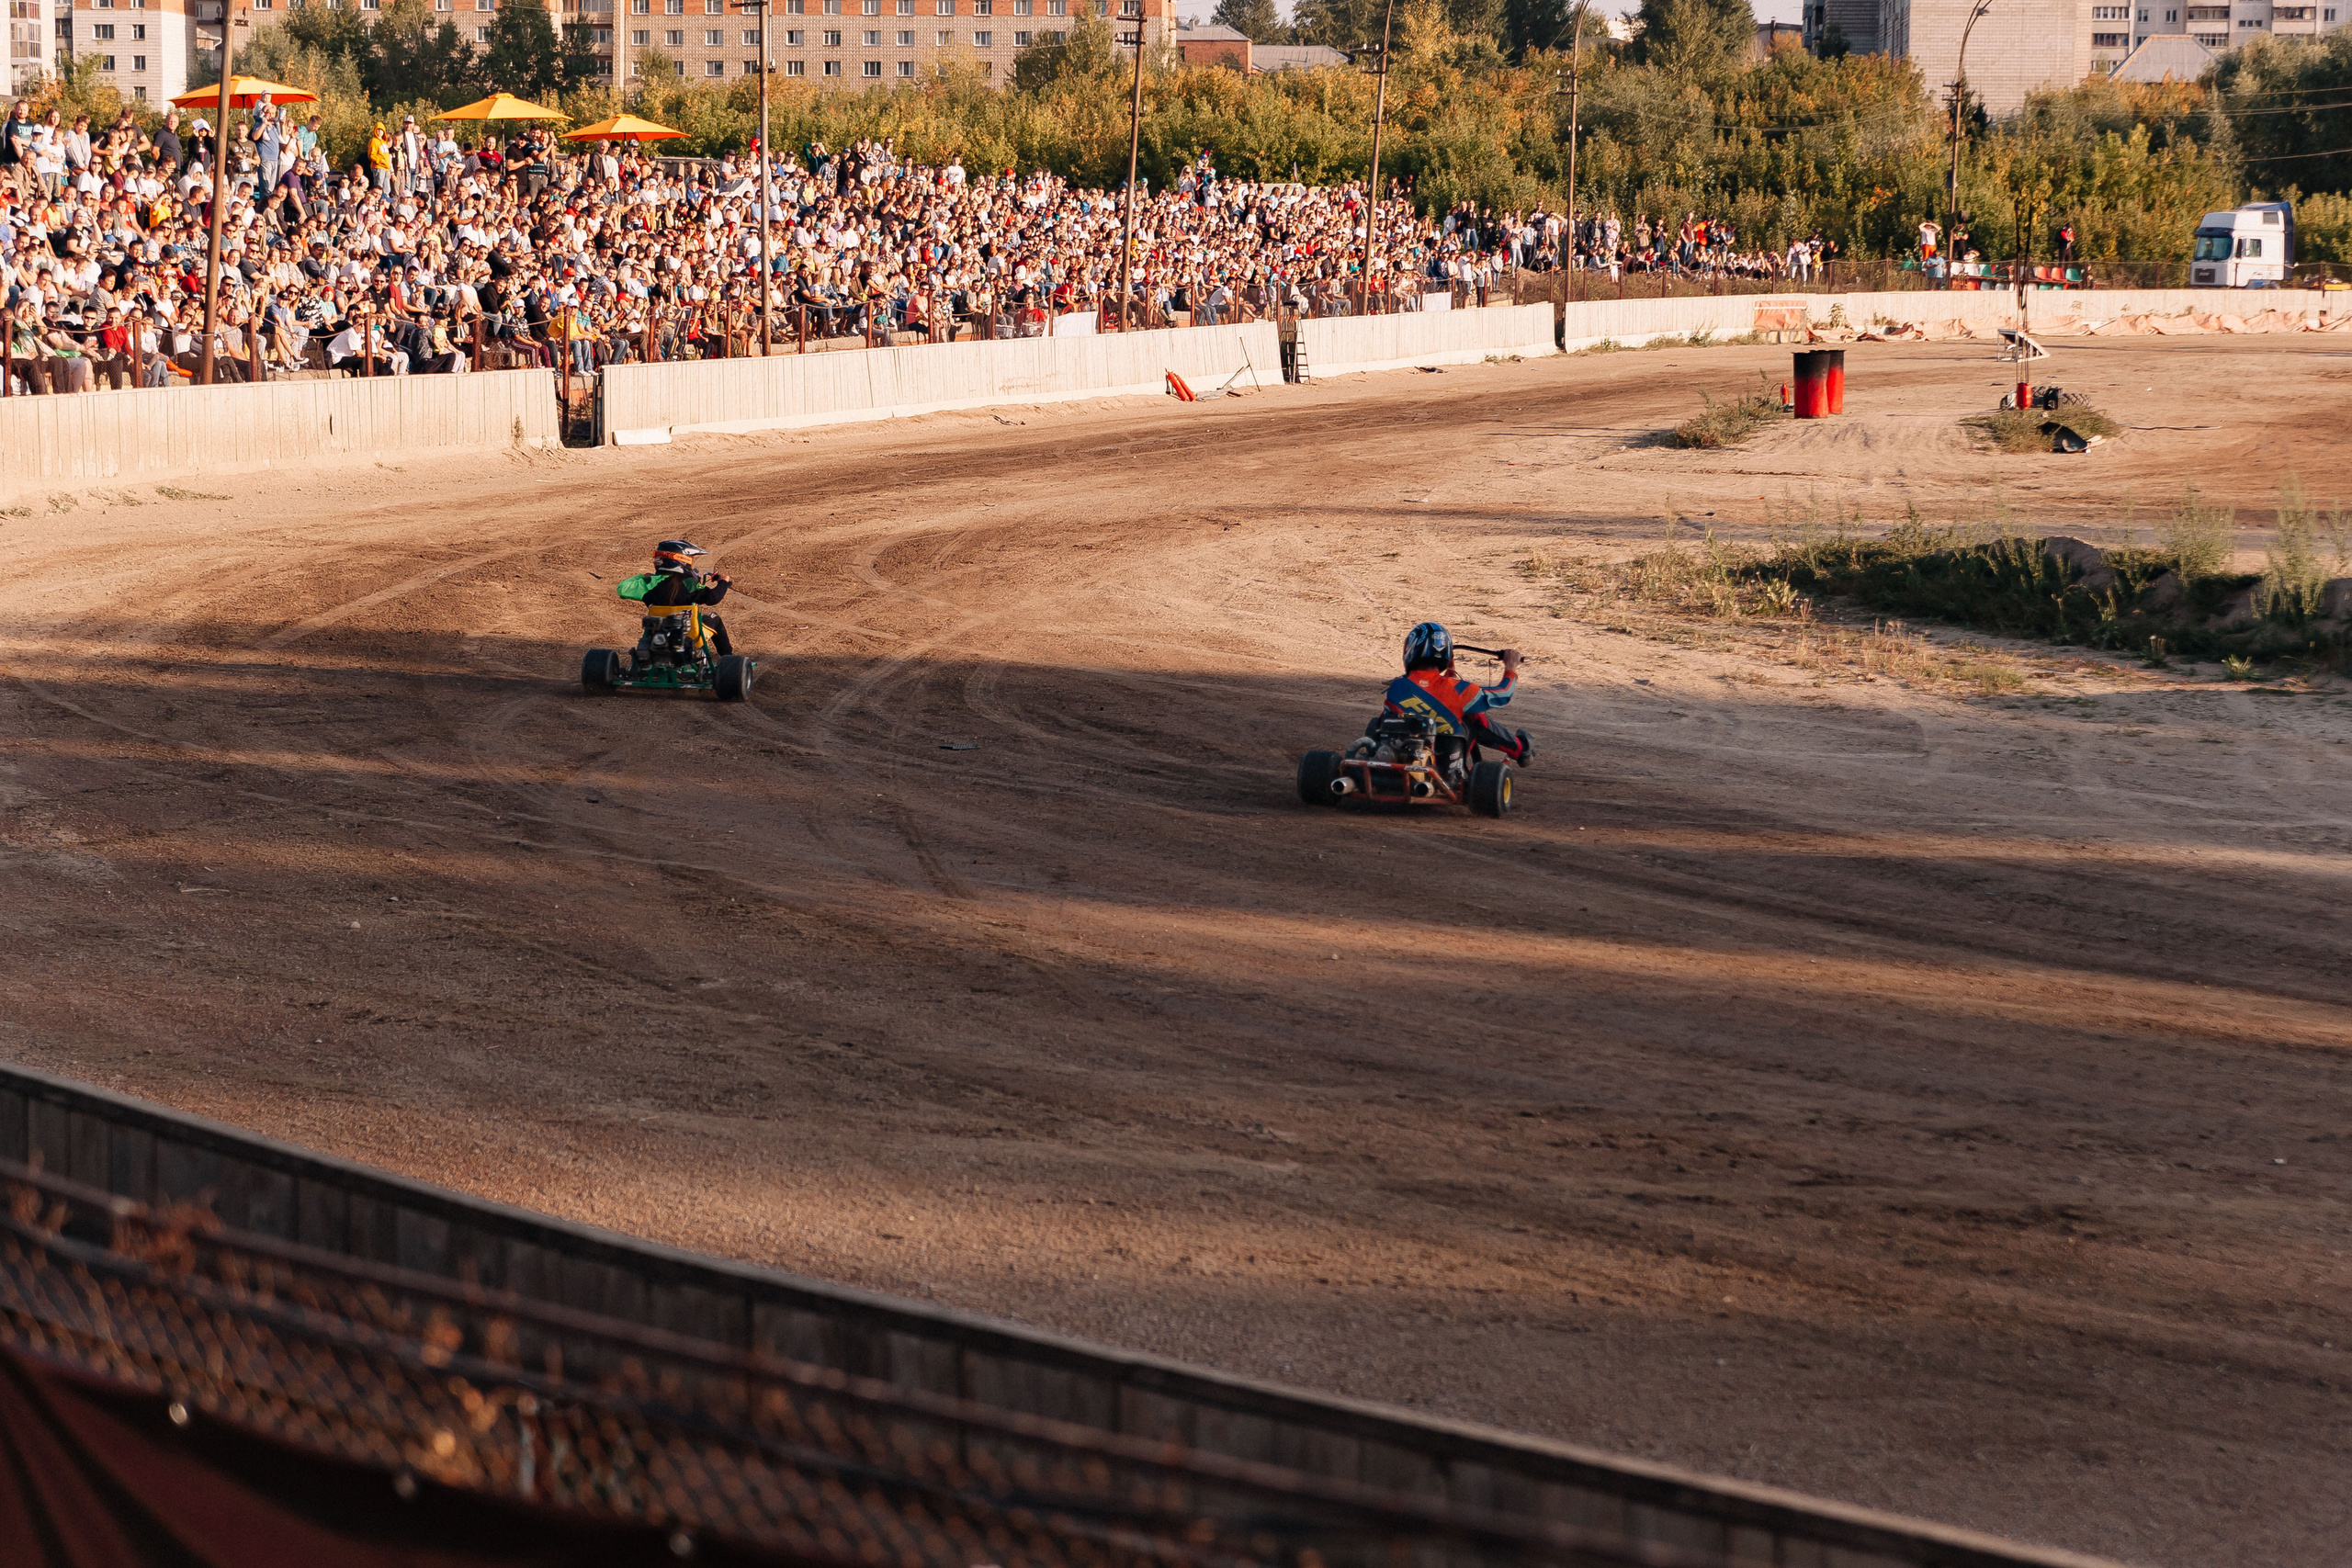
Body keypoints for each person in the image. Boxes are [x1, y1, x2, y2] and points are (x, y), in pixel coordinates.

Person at [1374, 621, 1532, 768]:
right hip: (1446, 766)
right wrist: (1511, 666)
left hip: (1396, 755)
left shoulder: (1397, 685)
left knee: (1382, 719)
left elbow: (1431, 690)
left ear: (1410, 650)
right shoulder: (1460, 690)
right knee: (1474, 718)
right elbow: (1503, 694)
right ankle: (1520, 748)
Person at [638, 539, 736, 656]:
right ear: (681, 562)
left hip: (658, 635)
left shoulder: (650, 585)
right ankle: (728, 657)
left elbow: (628, 591)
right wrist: (723, 582)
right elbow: (713, 598)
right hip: (690, 636)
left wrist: (643, 578)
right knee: (714, 618)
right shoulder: (689, 584)